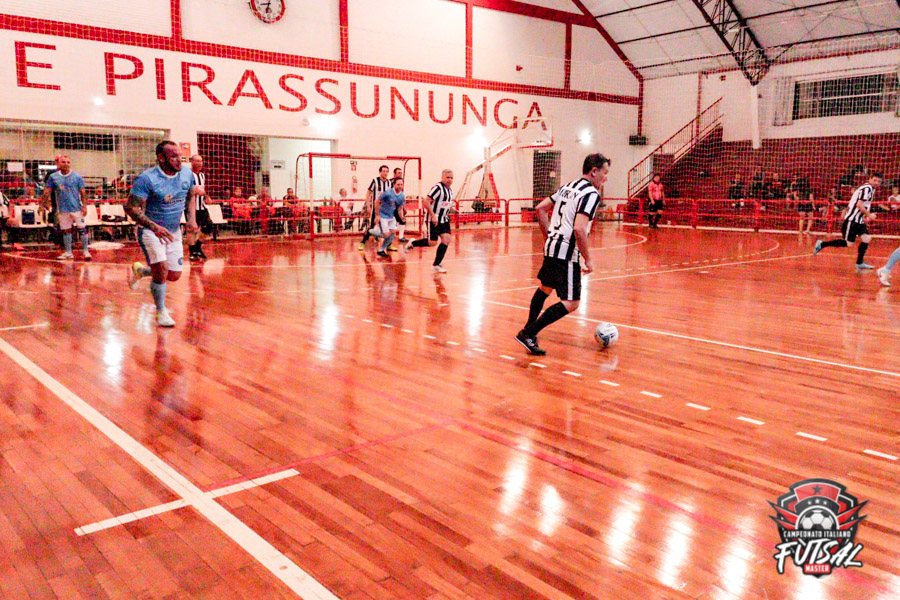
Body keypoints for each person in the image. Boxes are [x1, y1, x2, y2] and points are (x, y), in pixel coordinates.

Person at [515, 153, 610, 356]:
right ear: (594, 171)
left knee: (545, 288)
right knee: (572, 302)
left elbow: (540, 208)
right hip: (567, 253)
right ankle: (528, 333)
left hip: (552, 246)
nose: (606, 178)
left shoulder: (567, 186)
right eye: (605, 173)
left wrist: (548, 237)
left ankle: (529, 332)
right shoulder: (591, 194)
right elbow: (579, 228)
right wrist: (588, 259)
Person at [126, 140, 202, 327]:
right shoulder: (147, 179)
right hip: (151, 231)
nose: (179, 160)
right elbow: (130, 208)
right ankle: (161, 312)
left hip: (173, 231)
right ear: (161, 158)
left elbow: (191, 195)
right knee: (161, 270)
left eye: (180, 156)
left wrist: (191, 219)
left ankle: (142, 271)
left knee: (173, 275)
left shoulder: (186, 174)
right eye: (173, 157)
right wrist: (154, 227)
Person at [814, 172, 882, 269]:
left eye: (878, 181)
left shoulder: (870, 189)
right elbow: (859, 205)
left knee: (866, 238)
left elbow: (863, 205)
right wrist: (869, 215)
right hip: (852, 220)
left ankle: (859, 263)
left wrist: (865, 216)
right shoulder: (867, 188)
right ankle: (822, 244)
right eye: (874, 180)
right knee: (849, 243)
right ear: (870, 179)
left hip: (859, 220)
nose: (876, 183)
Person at [41, 155, 90, 261]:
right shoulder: (53, 177)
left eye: (68, 162)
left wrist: (85, 206)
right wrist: (42, 204)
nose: (66, 164)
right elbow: (46, 192)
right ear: (59, 163)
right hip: (62, 209)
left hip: (76, 208)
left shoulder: (77, 176)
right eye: (63, 162)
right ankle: (68, 252)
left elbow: (83, 192)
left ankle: (86, 251)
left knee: (82, 229)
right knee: (66, 231)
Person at [406, 169, 453, 272]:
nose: (449, 180)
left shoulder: (450, 190)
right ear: (442, 178)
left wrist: (453, 209)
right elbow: (426, 201)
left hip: (444, 219)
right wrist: (433, 216)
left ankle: (436, 264)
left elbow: (445, 204)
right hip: (434, 219)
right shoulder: (438, 188)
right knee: (432, 243)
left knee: (446, 240)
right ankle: (413, 243)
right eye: (447, 177)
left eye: (451, 178)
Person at [368, 177, 405, 258]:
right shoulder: (388, 193)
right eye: (398, 184)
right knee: (387, 234)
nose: (400, 186)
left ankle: (381, 250)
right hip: (383, 216)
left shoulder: (402, 195)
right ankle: (371, 232)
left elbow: (399, 207)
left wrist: (401, 216)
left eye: (401, 184)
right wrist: (377, 215)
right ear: (394, 185)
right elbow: (376, 201)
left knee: (392, 235)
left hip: (391, 216)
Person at [359, 165, 391, 250]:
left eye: (387, 171)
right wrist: (368, 205)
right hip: (376, 208)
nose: (385, 173)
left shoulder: (389, 183)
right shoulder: (375, 181)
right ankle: (363, 242)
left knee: (389, 227)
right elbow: (368, 193)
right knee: (372, 225)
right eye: (383, 171)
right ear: (380, 172)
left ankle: (389, 244)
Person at [186, 154, 211, 262]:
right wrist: (195, 191)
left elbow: (202, 190)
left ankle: (198, 247)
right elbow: (187, 189)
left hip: (201, 206)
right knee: (191, 230)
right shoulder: (188, 175)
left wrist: (206, 196)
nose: (200, 163)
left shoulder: (202, 175)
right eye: (197, 161)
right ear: (192, 162)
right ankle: (192, 252)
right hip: (191, 207)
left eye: (201, 161)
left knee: (208, 227)